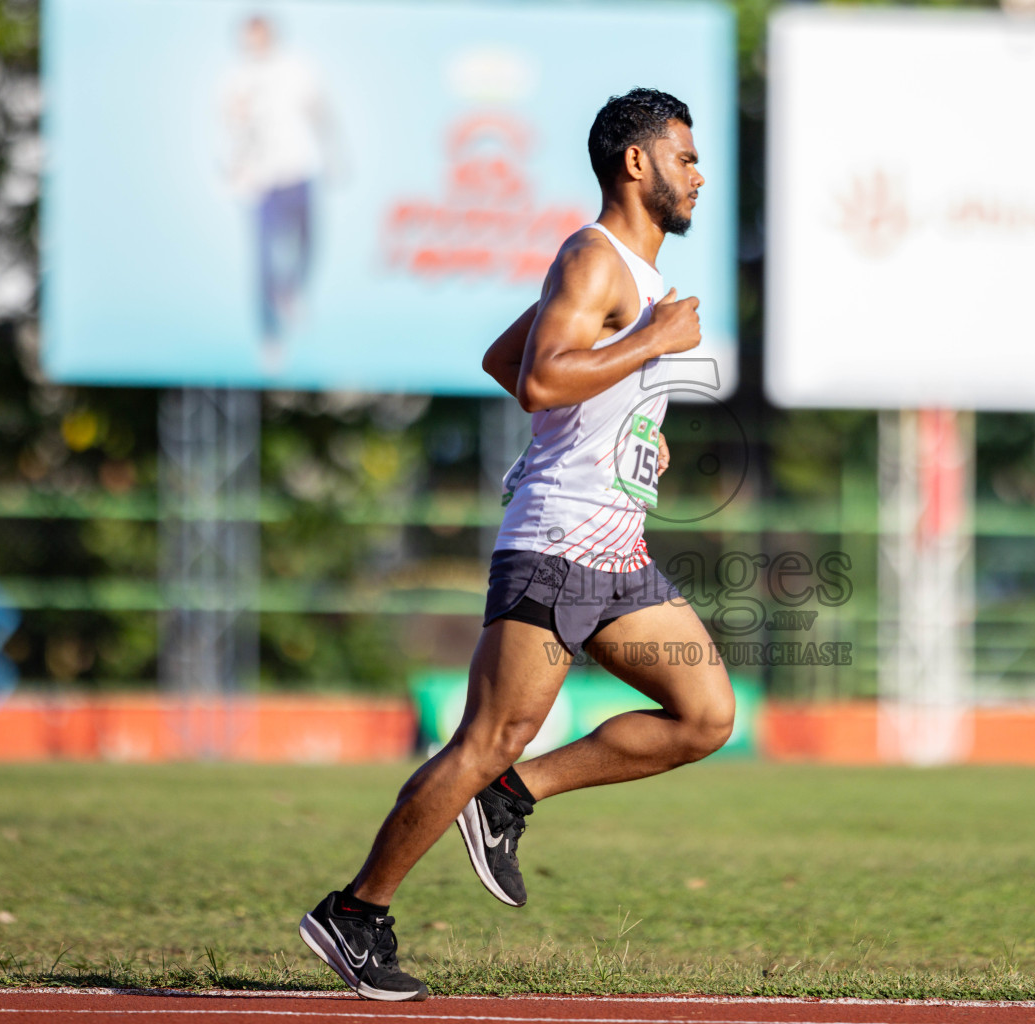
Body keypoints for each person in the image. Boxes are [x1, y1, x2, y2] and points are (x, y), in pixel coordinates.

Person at [298, 88, 733, 1003]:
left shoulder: (638, 279)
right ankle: (355, 912)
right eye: (685, 159)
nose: (699, 175)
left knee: (704, 715)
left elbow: (510, 359)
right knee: (487, 736)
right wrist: (651, 343)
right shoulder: (596, 257)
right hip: (555, 545)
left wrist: (630, 431)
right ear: (636, 164)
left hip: (619, 555)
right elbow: (538, 380)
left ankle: (514, 798)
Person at [221, 15, 336, 374]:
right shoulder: (235, 79)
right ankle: (270, 337)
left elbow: (319, 112)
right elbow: (229, 127)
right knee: (263, 264)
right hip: (261, 180)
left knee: (307, 242)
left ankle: (293, 293)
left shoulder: (296, 69)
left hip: (298, 170)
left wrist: (333, 154)